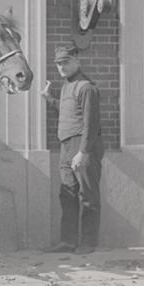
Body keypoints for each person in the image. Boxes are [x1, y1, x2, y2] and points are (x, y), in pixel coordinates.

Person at [41, 45, 104, 254]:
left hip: (83, 145)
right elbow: (68, 110)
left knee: (88, 195)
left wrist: (83, 152)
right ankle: (68, 241)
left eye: (66, 62)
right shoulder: (67, 86)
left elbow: (91, 123)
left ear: (77, 61)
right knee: (67, 194)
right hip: (66, 145)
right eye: (58, 63)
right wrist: (49, 99)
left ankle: (88, 243)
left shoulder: (86, 87)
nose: (61, 67)